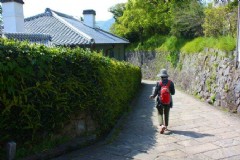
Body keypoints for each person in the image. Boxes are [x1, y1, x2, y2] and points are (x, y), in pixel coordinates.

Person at [149, 69, 175, 134]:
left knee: (160, 113)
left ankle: (162, 125)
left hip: (160, 101)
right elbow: (173, 93)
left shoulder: (159, 83)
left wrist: (153, 96)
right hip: (168, 101)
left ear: (161, 76)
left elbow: (155, 93)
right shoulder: (170, 83)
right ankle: (166, 126)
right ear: (166, 76)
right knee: (167, 113)